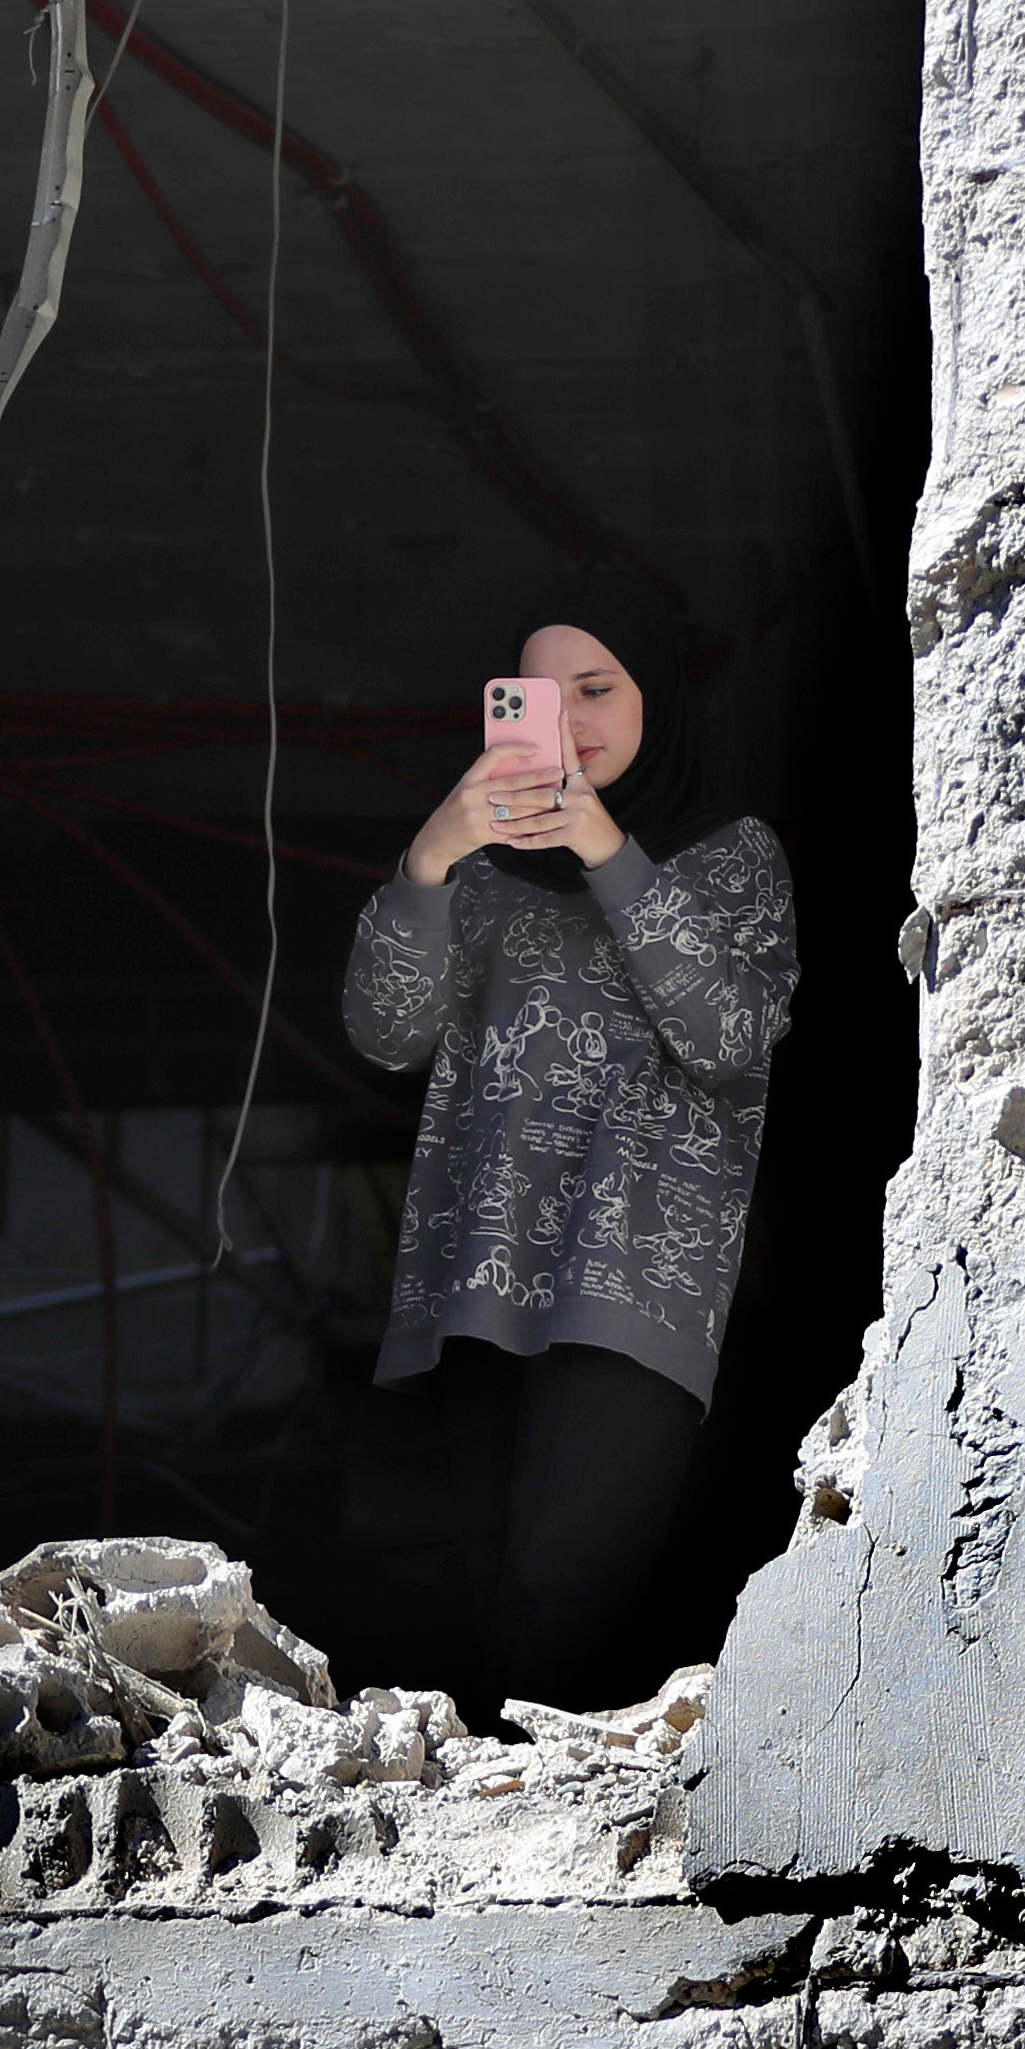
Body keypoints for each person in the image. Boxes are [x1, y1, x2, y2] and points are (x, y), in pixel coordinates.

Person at [342, 579, 798, 1710]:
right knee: (469, 1580)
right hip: (477, 1279)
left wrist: (606, 845)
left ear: (656, 697)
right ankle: (460, 1823)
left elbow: (732, 1032)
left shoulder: (727, 855)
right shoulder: (485, 880)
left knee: (564, 1580)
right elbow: (384, 1033)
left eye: (596, 688)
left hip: (637, 1284)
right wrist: (427, 864)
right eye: (536, 697)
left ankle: (532, 1822)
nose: (571, 718)